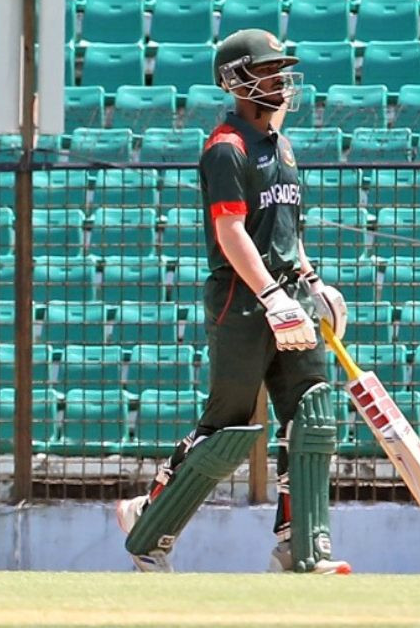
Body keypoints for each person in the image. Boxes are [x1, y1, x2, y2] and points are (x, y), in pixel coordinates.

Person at [115, 29, 352, 574]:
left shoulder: (283, 146)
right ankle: (148, 523)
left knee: (311, 413)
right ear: (238, 80)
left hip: (288, 296)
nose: (279, 81)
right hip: (244, 301)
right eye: (268, 72)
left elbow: (286, 232)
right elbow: (230, 230)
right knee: (229, 427)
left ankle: (301, 548)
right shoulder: (227, 145)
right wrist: (270, 295)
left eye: (280, 71)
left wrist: (312, 285)